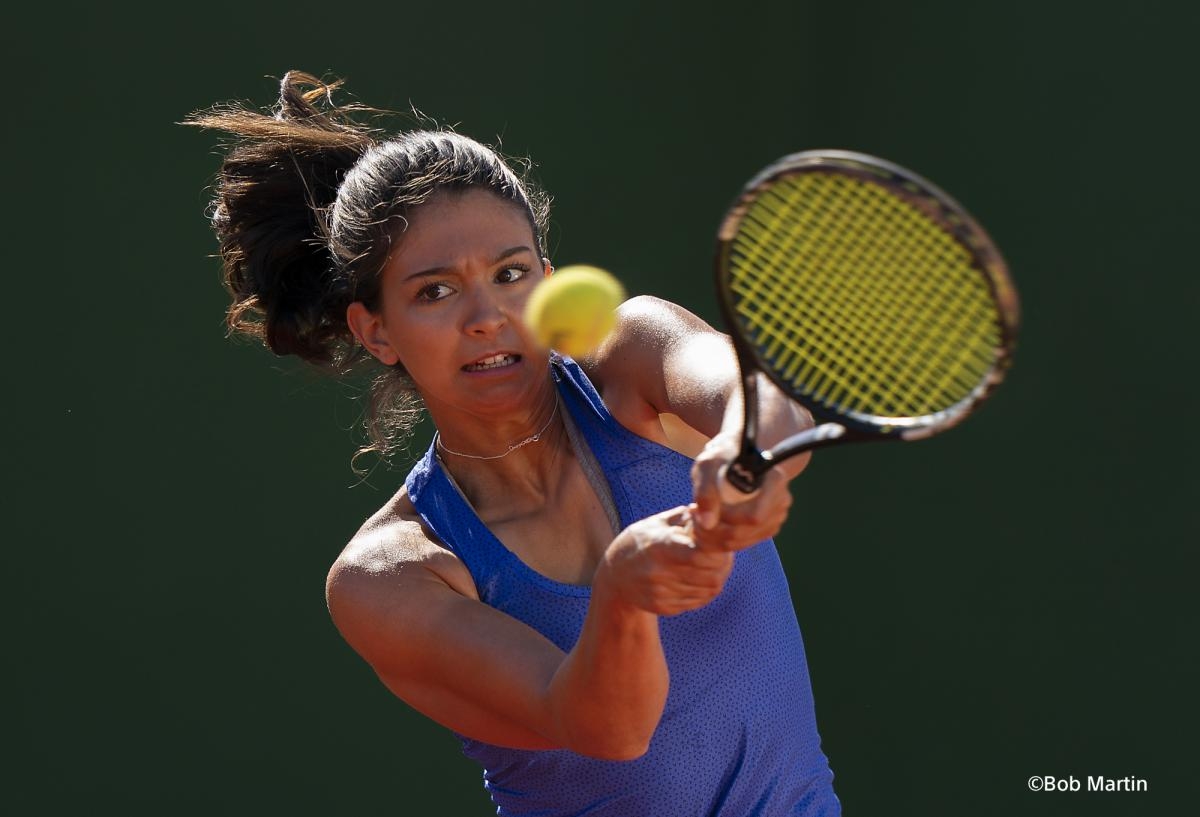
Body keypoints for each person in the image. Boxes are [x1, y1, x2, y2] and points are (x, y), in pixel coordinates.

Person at [188, 71, 841, 816]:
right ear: (376, 330)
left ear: (548, 280)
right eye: (435, 290)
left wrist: (742, 450)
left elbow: (762, 407)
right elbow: (607, 727)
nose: (487, 315)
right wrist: (624, 594)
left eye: (510, 273)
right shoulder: (388, 578)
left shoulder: (632, 355)